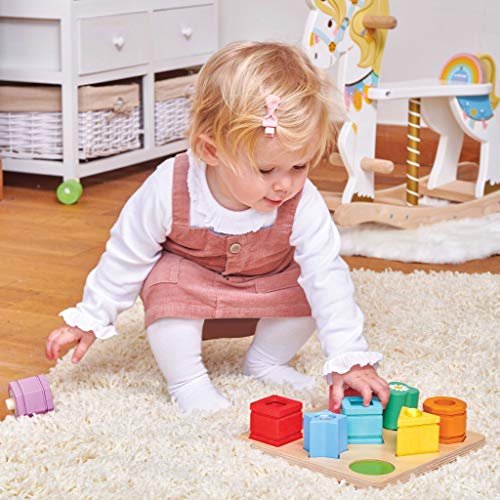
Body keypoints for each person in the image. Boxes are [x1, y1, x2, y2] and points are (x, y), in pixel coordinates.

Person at [46, 41, 389, 412]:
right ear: (211, 151)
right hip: (191, 289)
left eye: (299, 166)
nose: (285, 184)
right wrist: (91, 317)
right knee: (164, 283)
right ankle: (187, 380)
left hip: (266, 285)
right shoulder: (170, 186)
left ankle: (267, 360)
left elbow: (327, 274)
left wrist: (349, 357)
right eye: (266, 170)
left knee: (312, 288)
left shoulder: (303, 200)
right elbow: (126, 254)